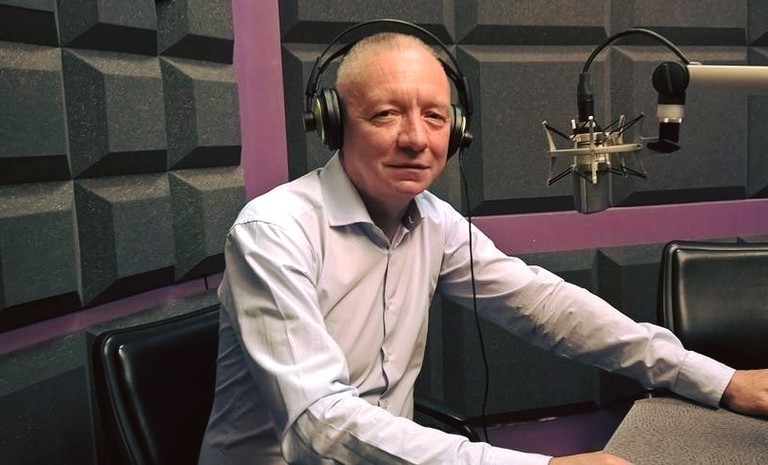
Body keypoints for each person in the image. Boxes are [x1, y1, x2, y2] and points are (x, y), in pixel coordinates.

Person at [198, 31, 768, 465]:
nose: (415, 138)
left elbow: (545, 307)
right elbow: (320, 423)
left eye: (434, 116)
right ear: (332, 123)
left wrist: (717, 380)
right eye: (385, 114)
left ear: (457, 130)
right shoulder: (274, 233)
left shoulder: (435, 221)